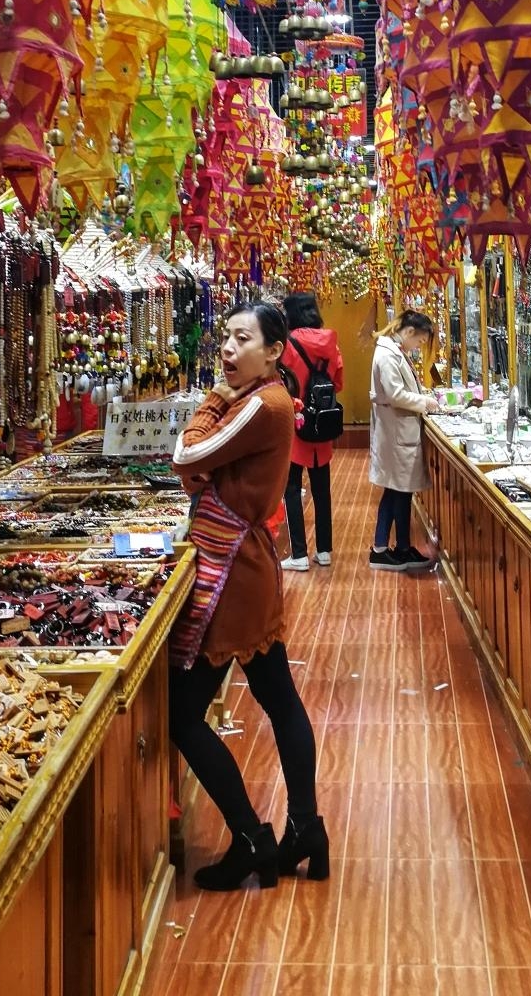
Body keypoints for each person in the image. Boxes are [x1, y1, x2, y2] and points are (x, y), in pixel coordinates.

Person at [168, 302, 329, 891]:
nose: (229, 350)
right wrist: (205, 462)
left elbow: (187, 455)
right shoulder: (261, 398)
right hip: (243, 566)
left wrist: (211, 404)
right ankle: (304, 829)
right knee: (278, 697)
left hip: (233, 575)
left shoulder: (263, 404)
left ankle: (251, 837)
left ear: (274, 350)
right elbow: (199, 468)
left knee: (181, 715)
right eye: (227, 338)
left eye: (243, 339)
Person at [369, 310, 439, 570]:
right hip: (396, 432)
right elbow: (396, 395)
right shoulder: (388, 355)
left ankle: (396, 547)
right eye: (419, 340)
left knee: (397, 490)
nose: (419, 346)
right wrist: (424, 401)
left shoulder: (395, 352)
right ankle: (391, 549)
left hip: (398, 431)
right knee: (398, 491)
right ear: (409, 332)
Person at [280, 290, 343, 572]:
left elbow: (280, 382)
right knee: (321, 489)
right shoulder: (331, 343)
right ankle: (325, 550)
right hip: (322, 420)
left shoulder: (287, 344)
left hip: (295, 421)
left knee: (292, 488)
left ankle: (299, 554)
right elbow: (338, 383)